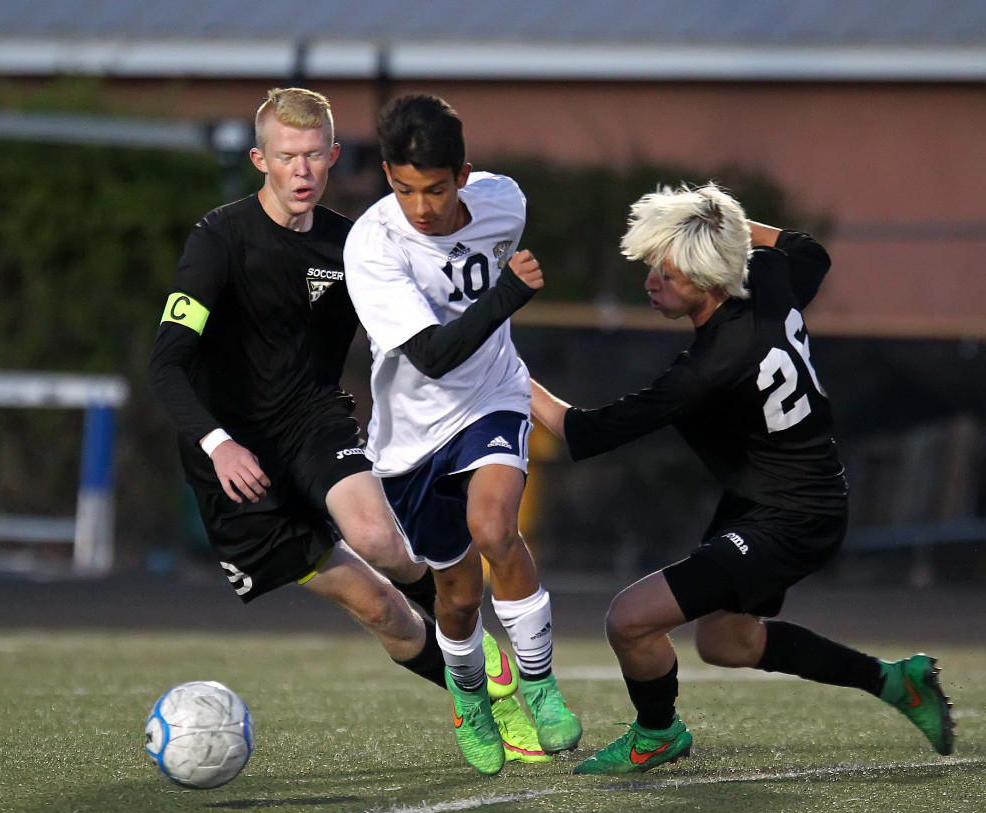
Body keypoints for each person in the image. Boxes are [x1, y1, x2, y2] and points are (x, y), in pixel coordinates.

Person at [530, 183, 954, 775]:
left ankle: (657, 733)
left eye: (669, 273)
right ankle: (894, 682)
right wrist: (723, 222)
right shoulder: (768, 284)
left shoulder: (711, 367)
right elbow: (809, 251)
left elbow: (580, 433)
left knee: (630, 620)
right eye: (654, 265)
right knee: (726, 643)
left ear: (709, 281)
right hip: (774, 498)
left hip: (793, 516)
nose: (652, 281)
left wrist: (503, 371)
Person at [147, 87, 481, 721]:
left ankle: (494, 673)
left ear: (332, 156)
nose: (300, 171)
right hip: (236, 464)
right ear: (258, 160)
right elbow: (164, 366)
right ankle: (476, 702)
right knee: (383, 610)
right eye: (285, 156)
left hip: (313, 425)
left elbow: (418, 337)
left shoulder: (354, 247)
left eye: (312, 156)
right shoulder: (218, 241)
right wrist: (217, 444)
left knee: (382, 541)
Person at [343, 93, 582, 775]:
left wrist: (502, 309)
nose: (421, 206)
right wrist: (507, 296)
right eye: (403, 188)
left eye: (436, 189)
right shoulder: (374, 244)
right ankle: (470, 697)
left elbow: (472, 350)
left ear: (464, 173)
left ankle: (538, 683)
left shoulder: (506, 202)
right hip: (410, 437)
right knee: (456, 595)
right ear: (388, 175)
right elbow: (432, 356)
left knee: (495, 530)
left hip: (492, 399)